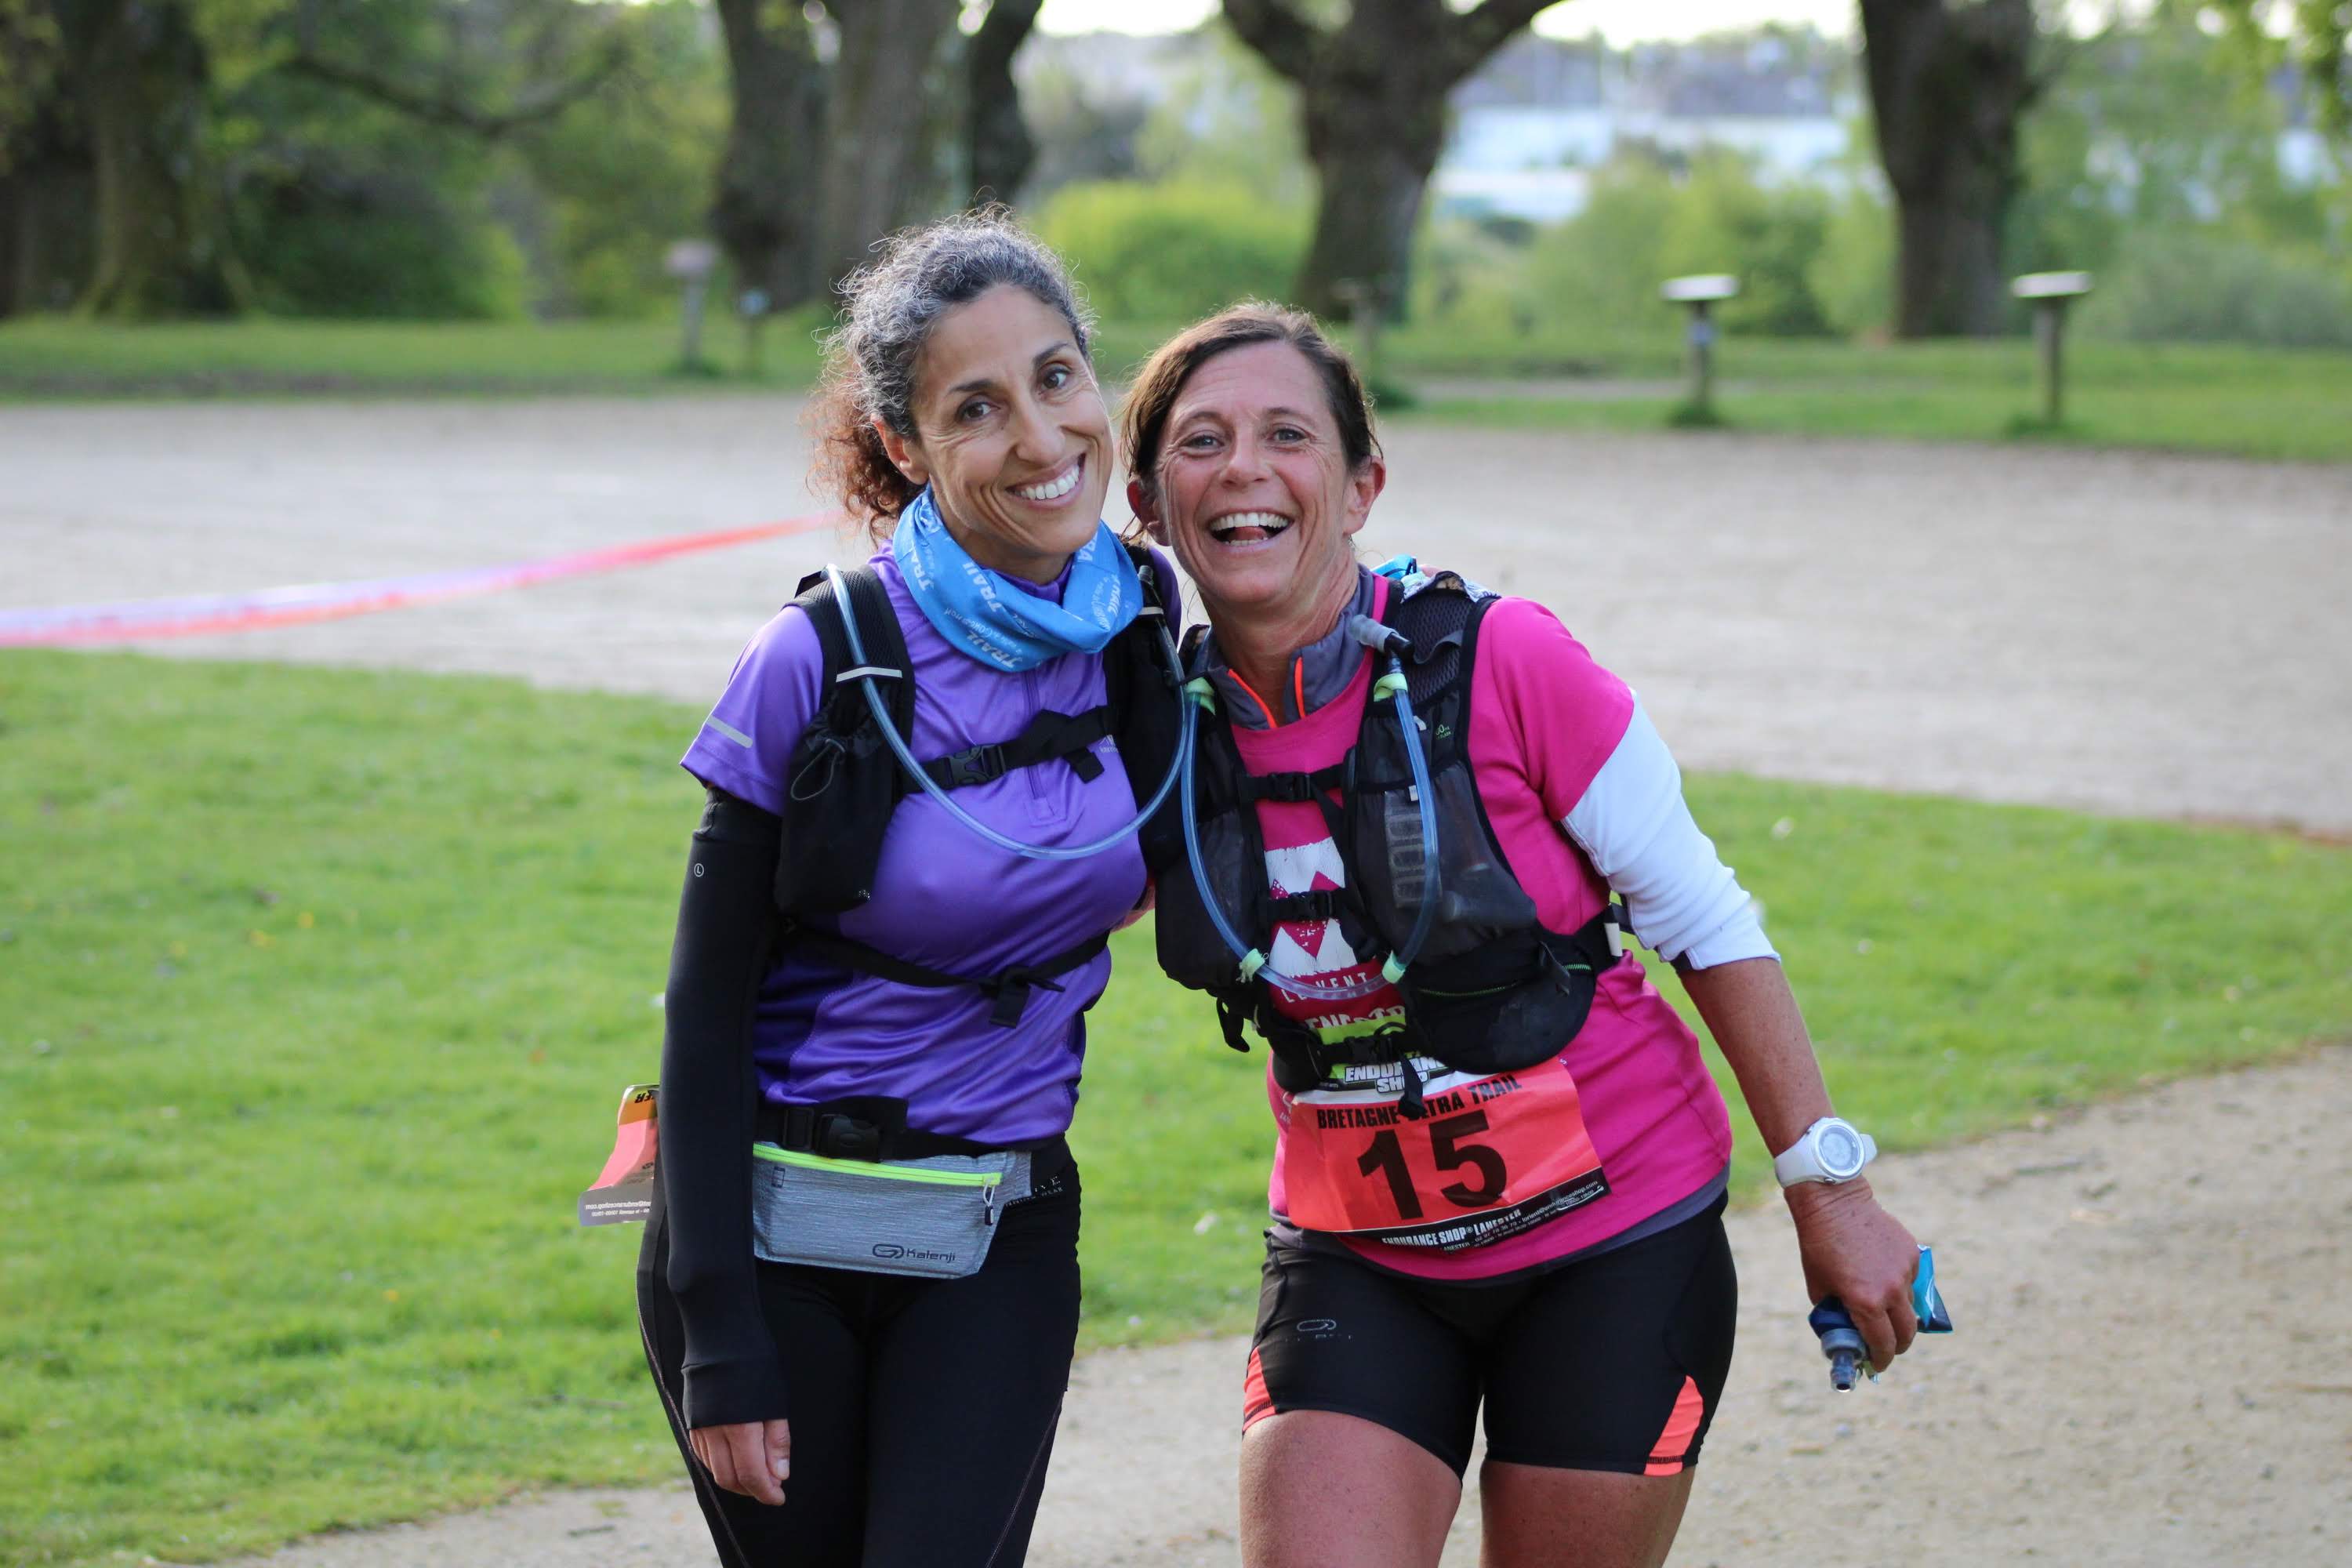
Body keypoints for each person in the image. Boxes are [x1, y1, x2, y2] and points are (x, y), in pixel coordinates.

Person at [1121, 303, 1925, 1568]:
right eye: (1202, 442)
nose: (1243, 470)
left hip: (1616, 1241)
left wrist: (1833, 1192)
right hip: (1358, 1256)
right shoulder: (1151, 729)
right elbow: (1018, 915)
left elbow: (1703, 918)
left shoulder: (1504, 659)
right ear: (1148, 505)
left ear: (1362, 485)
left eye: (1287, 435)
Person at [635, 212, 1181, 1568]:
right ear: (903, 444)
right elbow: (703, 1012)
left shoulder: (1146, 626)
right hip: (773, 1240)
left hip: (1000, 1230)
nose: (1042, 438)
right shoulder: (819, 654)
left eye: (1057, 378)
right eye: (976, 408)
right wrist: (717, 1326)